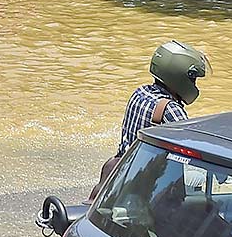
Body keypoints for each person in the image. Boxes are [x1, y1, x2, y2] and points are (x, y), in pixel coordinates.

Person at [88, 40, 210, 202]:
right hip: (146, 183)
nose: (194, 84)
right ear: (179, 77)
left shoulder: (140, 92)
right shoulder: (170, 109)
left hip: (123, 169)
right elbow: (192, 149)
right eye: (193, 79)